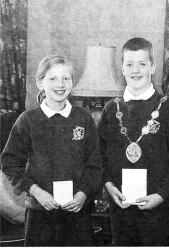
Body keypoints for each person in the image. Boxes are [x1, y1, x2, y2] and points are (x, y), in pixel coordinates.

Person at [1, 55, 103, 246]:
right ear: (40, 83)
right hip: (40, 216)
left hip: (78, 215)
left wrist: (83, 193)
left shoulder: (84, 118)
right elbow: (10, 163)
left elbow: (95, 164)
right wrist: (36, 191)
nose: (60, 84)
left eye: (66, 78)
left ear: (72, 83)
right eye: (53, 78)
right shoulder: (27, 120)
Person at [99, 37, 169, 246]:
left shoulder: (168, 108)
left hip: (158, 208)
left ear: (153, 66)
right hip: (120, 208)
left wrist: (161, 196)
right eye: (129, 64)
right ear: (122, 68)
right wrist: (108, 185)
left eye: (142, 64)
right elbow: (99, 155)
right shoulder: (111, 110)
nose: (135, 70)